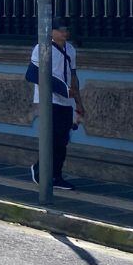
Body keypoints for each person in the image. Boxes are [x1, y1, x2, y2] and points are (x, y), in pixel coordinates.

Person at [30, 19, 85, 190]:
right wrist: (59, 89)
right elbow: (33, 74)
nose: (64, 33)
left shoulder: (70, 49)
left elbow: (73, 76)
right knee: (51, 137)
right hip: (49, 99)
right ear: (52, 31)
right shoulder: (42, 48)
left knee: (63, 140)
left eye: (66, 30)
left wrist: (78, 102)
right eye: (60, 30)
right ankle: (40, 170)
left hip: (66, 100)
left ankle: (57, 175)